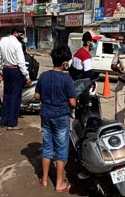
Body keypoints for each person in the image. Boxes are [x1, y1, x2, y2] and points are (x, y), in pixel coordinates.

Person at [35, 46, 76, 193]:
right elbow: (72, 102)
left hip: (46, 115)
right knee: (61, 149)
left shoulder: (44, 76)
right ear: (65, 63)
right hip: (61, 117)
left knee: (47, 147)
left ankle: (45, 180)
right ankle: (59, 183)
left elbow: (37, 96)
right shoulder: (67, 79)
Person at [0, 27, 31, 130]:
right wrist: (27, 76)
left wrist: (0, 70)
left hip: (6, 70)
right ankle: (12, 123)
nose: (22, 37)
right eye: (21, 34)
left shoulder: (2, 41)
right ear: (15, 33)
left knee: (7, 96)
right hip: (16, 71)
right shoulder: (17, 44)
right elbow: (21, 62)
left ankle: (4, 121)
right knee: (15, 98)